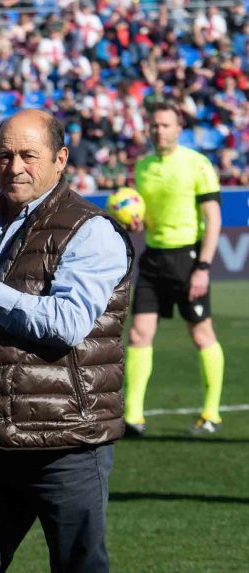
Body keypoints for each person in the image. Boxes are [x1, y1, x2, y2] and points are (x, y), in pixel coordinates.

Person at [0, 109, 133, 573]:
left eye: (29, 155)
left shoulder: (90, 229)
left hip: (65, 442)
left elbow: (66, 324)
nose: (15, 167)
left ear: (60, 159)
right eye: (4, 155)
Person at [124, 102, 225, 435]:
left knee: (200, 334)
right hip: (153, 258)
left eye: (165, 125)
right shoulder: (143, 166)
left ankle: (211, 413)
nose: (159, 131)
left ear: (178, 128)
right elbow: (146, 214)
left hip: (189, 259)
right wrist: (137, 222)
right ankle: (132, 418)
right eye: (154, 125)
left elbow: (213, 220)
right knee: (139, 334)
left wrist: (203, 267)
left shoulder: (198, 164)